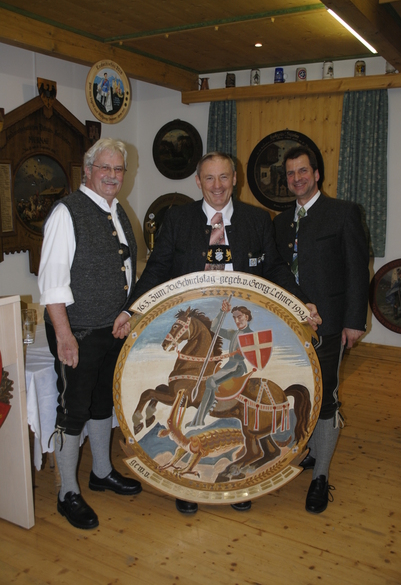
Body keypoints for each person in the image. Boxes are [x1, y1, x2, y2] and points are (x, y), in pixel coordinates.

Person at [114, 151, 321, 515]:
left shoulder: (257, 219)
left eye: (224, 177)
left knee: (229, 396)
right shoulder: (178, 219)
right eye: (209, 178)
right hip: (196, 328)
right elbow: (157, 268)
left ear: (235, 178)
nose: (217, 185)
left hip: (232, 331)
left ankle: (241, 483)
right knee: (184, 395)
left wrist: (302, 303)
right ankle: (185, 485)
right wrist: (132, 309)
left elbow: (275, 268)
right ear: (198, 181)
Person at [38, 138, 142, 530]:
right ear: (88, 171)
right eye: (105, 168)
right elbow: (51, 283)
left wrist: (125, 312)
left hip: (110, 329)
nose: (112, 176)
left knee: (102, 404)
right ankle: (67, 492)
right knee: (73, 410)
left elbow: (123, 267)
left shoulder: (117, 210)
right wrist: (64, 335)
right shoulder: (67, 212)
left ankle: (101, 472)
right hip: (78, 331)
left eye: (118, 169)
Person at [274, 145, 370, 514]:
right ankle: (311, 450)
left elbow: (357, 270)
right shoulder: (281, 222)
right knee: (296, 392)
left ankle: (321, 477)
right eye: (290, 173)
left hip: (328, 324)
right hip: (288, 328)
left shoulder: (343, 213)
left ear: (316, 174)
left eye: (303, 171)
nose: (296, 178)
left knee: (325, 394)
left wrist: (354, 321)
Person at [190, 300, 253, 427]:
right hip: (229, 365)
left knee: (211, 381)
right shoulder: (233, 333)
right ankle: (197, 419)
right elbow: (214, 328)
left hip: (237, 367)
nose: (236, 320)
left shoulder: (250, 335)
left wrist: (245, 351)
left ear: (246, 317)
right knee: (210, 381)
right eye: (234, 317)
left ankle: (199, 420)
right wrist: (222, 312)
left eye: (239, 317)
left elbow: (254, 353)